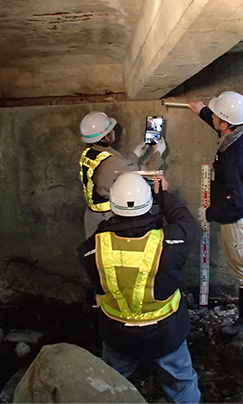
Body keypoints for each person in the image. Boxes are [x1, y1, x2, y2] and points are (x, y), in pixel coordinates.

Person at [78, 172, 201, 403]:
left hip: (118, 336)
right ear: (149, 205)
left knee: (111, 382)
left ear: (112, 208)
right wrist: (163, 193)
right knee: (181, 382)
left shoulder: (92, 247)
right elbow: (185, 221)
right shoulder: (170, 243)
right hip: (166, 334)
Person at [187, 91, 243, 336]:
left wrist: (210, 213)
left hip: (237, 218)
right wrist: (203, 111)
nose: (215, 120)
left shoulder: (238, 156)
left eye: (217, 116)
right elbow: (222, 124)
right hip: (241, 215)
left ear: (225, 123)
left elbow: (237, 201)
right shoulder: (240, 133)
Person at [79, 111, 166, 238]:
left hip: (92, 217)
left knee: (96, 253)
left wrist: (135, 155)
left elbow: (115, 170)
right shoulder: (112, 162)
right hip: (108, 218)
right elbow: (145, 173)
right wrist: (158, 153)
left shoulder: (88, 154)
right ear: (108, 137)